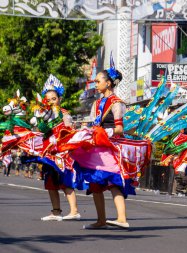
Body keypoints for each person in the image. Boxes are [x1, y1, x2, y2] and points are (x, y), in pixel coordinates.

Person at [80, 66, 130, 229]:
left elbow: (120, 129)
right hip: (97, 149)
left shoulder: (117, 103)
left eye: (98, 81)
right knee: (95, 184)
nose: (95, 84)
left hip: (111, 148)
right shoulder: (97, 103)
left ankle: (122, 218)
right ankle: (101, 220)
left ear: (108, 83)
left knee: (113, 181)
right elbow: (94, 124)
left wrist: (105, 132)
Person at [38, 75, 82, 221]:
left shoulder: (64, 114)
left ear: (59, 99)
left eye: (54, 99)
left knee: (66, 181)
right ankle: (56, 211)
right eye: (48, 99)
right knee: (50, 182)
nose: (51, 102)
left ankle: (74, 211)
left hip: (62, 153)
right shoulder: (44, 116)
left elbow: (70, 134)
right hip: (48, 153)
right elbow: (41, 131)